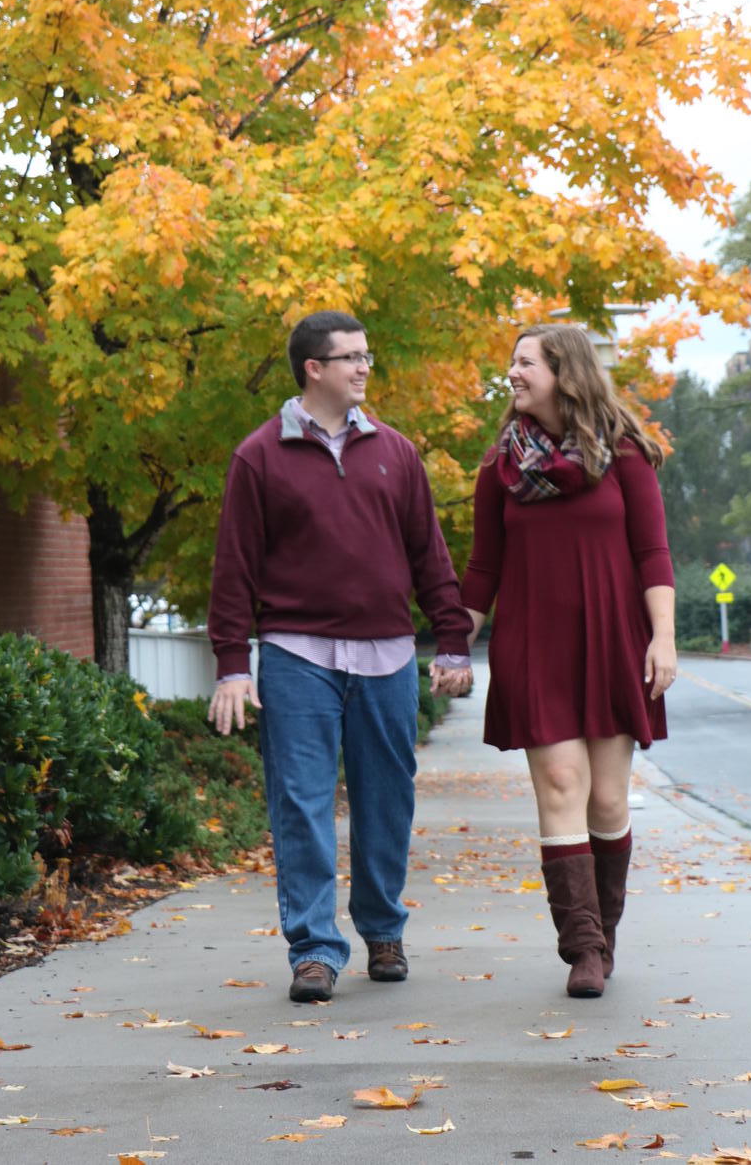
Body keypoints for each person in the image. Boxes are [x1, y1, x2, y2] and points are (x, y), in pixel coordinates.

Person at [206, 311, 474, 1005]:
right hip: (298, 658)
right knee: (300, 804)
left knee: (387, 801)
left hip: (386, 657)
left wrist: (452, 640)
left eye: (367, 355)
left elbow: (430, 558)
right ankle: (315, 950)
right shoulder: (259, 456)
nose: (364, 367)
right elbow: (234, 569)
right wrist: (233, 665)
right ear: (313, 369)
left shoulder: (397, 452)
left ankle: (384, 930)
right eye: (349, 357)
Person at [461, 323, 676, 998]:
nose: (514, 374)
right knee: (561, 784)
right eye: (513, 363)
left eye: (525, 363)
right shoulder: (500, 470)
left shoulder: (625, 455)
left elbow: (652, 553)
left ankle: (604, 935)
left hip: (614, 641)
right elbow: (483, 568)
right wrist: (451, 640)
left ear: (565, 371)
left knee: (609, 800)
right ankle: (582, 947)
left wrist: (662, 635)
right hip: (534, 643)